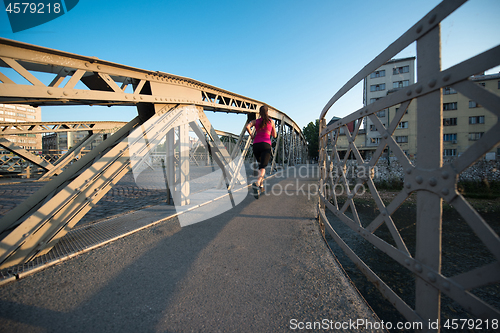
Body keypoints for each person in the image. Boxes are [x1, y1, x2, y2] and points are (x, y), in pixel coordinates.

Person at [245, 105, 277, 199]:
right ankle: (257, 183)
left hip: (256, 145)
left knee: (260, 166)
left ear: (259, 113)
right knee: (263, 167)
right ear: (267, 112)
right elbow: (274, 135)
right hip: (266, 145)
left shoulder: (256, 121)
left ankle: (261, 187)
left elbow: (248, 126)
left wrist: (251, 134)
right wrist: (270, 131)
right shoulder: (271, 122)